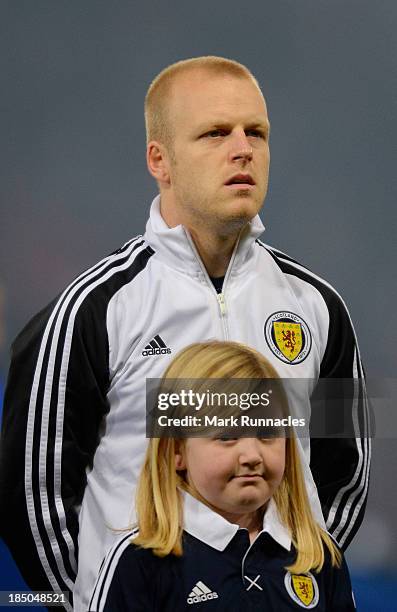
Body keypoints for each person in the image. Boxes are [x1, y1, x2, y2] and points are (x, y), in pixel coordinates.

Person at [0, 56, 369, 611]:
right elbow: (31, 496)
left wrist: (291, 583)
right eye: (215, 133)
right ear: (160, 159)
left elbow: (346, 478)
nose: (243, 148)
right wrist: (95, 599)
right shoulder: (92, 311)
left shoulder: (320, 308)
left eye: (257, 133)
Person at [90, 341, 356, 611]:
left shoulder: (319, 554)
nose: (252, 455)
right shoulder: (141, 560)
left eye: (267, 434)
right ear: (177, 450)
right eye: (228, 436)